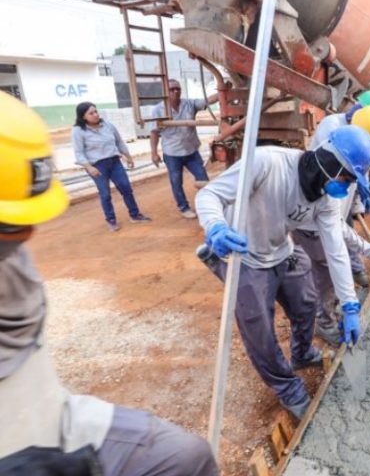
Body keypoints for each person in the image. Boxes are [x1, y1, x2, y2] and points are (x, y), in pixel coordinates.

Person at [0, 92, 218, 475]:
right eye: (10, 225)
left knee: (186, 457)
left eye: (24, 223)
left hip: (52, 418)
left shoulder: (14, 261)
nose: (27, 236)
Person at [195, 125, 370, 420]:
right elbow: (209, 196)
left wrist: (349, 304)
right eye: (348, 179)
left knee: (306, 302)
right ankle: (288, 389)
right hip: (245, 255)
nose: (347, 188)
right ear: (332, 163)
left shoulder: (325, 200)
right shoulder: (267, 163)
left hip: (282, 248)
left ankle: (301, 352)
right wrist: (215, 226)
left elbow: (335, 250)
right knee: (259, 331)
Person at [295, 104, 370, 345]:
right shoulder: (325, 181)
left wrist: (369, 249)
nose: (350, 182)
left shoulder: (342, 166)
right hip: (311, 229)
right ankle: (325, 324)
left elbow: (338, 225)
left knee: (332, 269)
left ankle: (334, 308)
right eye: (350, 178)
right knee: (327, 272)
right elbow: (335, 238)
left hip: (327, 220)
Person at [307, 88, 370, 289]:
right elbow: (336, 164)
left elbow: (364, 165)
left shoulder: (363, 130)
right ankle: (334, 287)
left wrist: (359, 199)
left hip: (347, 186)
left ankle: (356, 269)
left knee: (347, 226)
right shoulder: (333, 126)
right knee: (332, 236)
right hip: (328, 187)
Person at [72, 102, 151, 232]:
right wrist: (89, 167)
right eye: (91, 113)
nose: (95, 114)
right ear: (83, 116)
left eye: (96, 111)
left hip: (115, 162)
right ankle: (111, 220)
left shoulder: (107, 125)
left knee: (126, 188)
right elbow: (79, 152)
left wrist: (128, 156)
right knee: (105, 194)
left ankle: (135, 214)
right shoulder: (78, 131)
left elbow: (119, 142)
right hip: (97, 166)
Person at [150, 79, 219, 219]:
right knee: (176, 181)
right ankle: (184, 207)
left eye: (178, 89)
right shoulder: (158, 110)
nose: (176, 91)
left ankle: (206, 206)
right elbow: (154, 133)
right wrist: (154, 153)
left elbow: (207, 100)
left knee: (203, 179)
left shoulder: (189, 104)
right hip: (172, 153)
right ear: (165, 92)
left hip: (191, 151)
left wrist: (223, 90)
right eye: (172, 89)